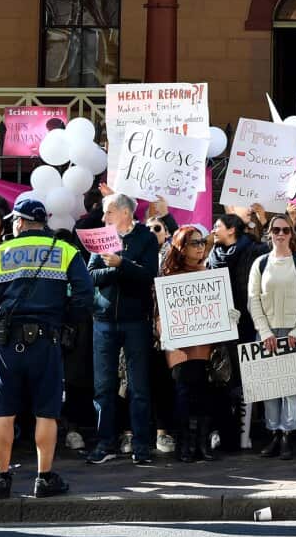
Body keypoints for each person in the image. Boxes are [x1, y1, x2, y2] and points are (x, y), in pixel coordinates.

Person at [0, 199, 93, 499]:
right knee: (46, 411)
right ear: (43, 221)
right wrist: (64, 319)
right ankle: (44, 478)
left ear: (18, 222)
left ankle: (2, 478)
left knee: (3, 412)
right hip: (47, 341)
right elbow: (85, 295)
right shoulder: (66, 251)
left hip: (5, 343)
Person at [84, 193, 161, 465]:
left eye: (110, 212)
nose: (105, 218)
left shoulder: (146, 239)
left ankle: (141, 445)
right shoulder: (102, 239)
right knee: (103, 386)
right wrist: (117, 271)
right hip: (103, 321)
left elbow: (149, 274)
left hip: (135, 321)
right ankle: (106, 443)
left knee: (139, 386)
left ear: (126, 213)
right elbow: (91, 275)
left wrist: (122, 264)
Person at [249, 215, 296, 462]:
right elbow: (253, 299)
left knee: (290, 387)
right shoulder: (260, 263)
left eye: (285, 230)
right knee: (269, 386)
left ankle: (287, 433)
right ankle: (273, 433)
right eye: (276, 230)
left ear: (292, 234)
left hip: (291, 330)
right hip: (266, 330)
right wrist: (265, 332)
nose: (280, 234)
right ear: (269, 233)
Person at [154, 225, 224, 463]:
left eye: (202, 242)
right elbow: (159, 313)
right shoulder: (169, 276)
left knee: (204, 394)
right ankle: (185, 444)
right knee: (184, 393)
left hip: (205, 343)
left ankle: (202, 445)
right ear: (181, 248)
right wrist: (164, 332)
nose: (200, 246)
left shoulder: (210, 273)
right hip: (180, 346)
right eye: (194, 243)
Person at [210, 213, 269, 451]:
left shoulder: (255, 251)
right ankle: (226, 431)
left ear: (232, 230)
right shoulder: (213, 255)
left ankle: (247, 432)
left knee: (247, 379)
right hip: (221, 326)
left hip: (247, 323)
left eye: (218, 226)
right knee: (223, 378)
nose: (213, 230)